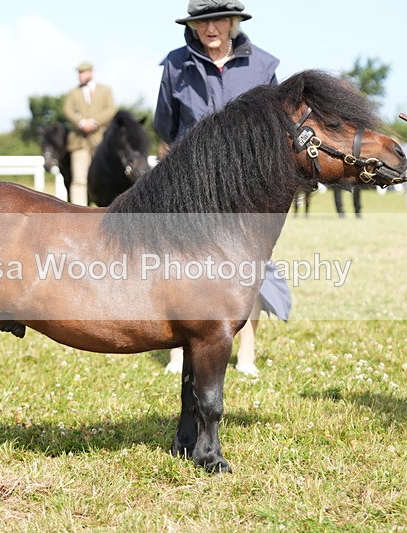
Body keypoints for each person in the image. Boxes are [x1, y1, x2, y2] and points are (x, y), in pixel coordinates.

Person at [155, 0, 290, 376]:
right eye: (201, 22)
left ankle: (246, 350)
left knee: (247, 268)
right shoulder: (175, 64)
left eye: (218, 20)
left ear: (233, 22)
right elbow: (165, 124)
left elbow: (277, 128)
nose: (210, 28)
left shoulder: (264, 65)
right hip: (189, 181)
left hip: (244, 183)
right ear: (192, 26)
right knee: (180, 266)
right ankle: (179, 350)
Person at [63, 62, 116, 206]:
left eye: (82, 72)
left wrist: (95, 122)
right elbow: (68, 110)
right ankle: (78, 212)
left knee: (104, 176)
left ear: (90, 73)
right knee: (79, 179)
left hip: (101, 141)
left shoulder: (105, 90)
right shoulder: (73, 92)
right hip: (79, 142)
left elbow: (111, 109)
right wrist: (81, 123)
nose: (80, 76)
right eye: (78, 73)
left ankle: (105, 209)